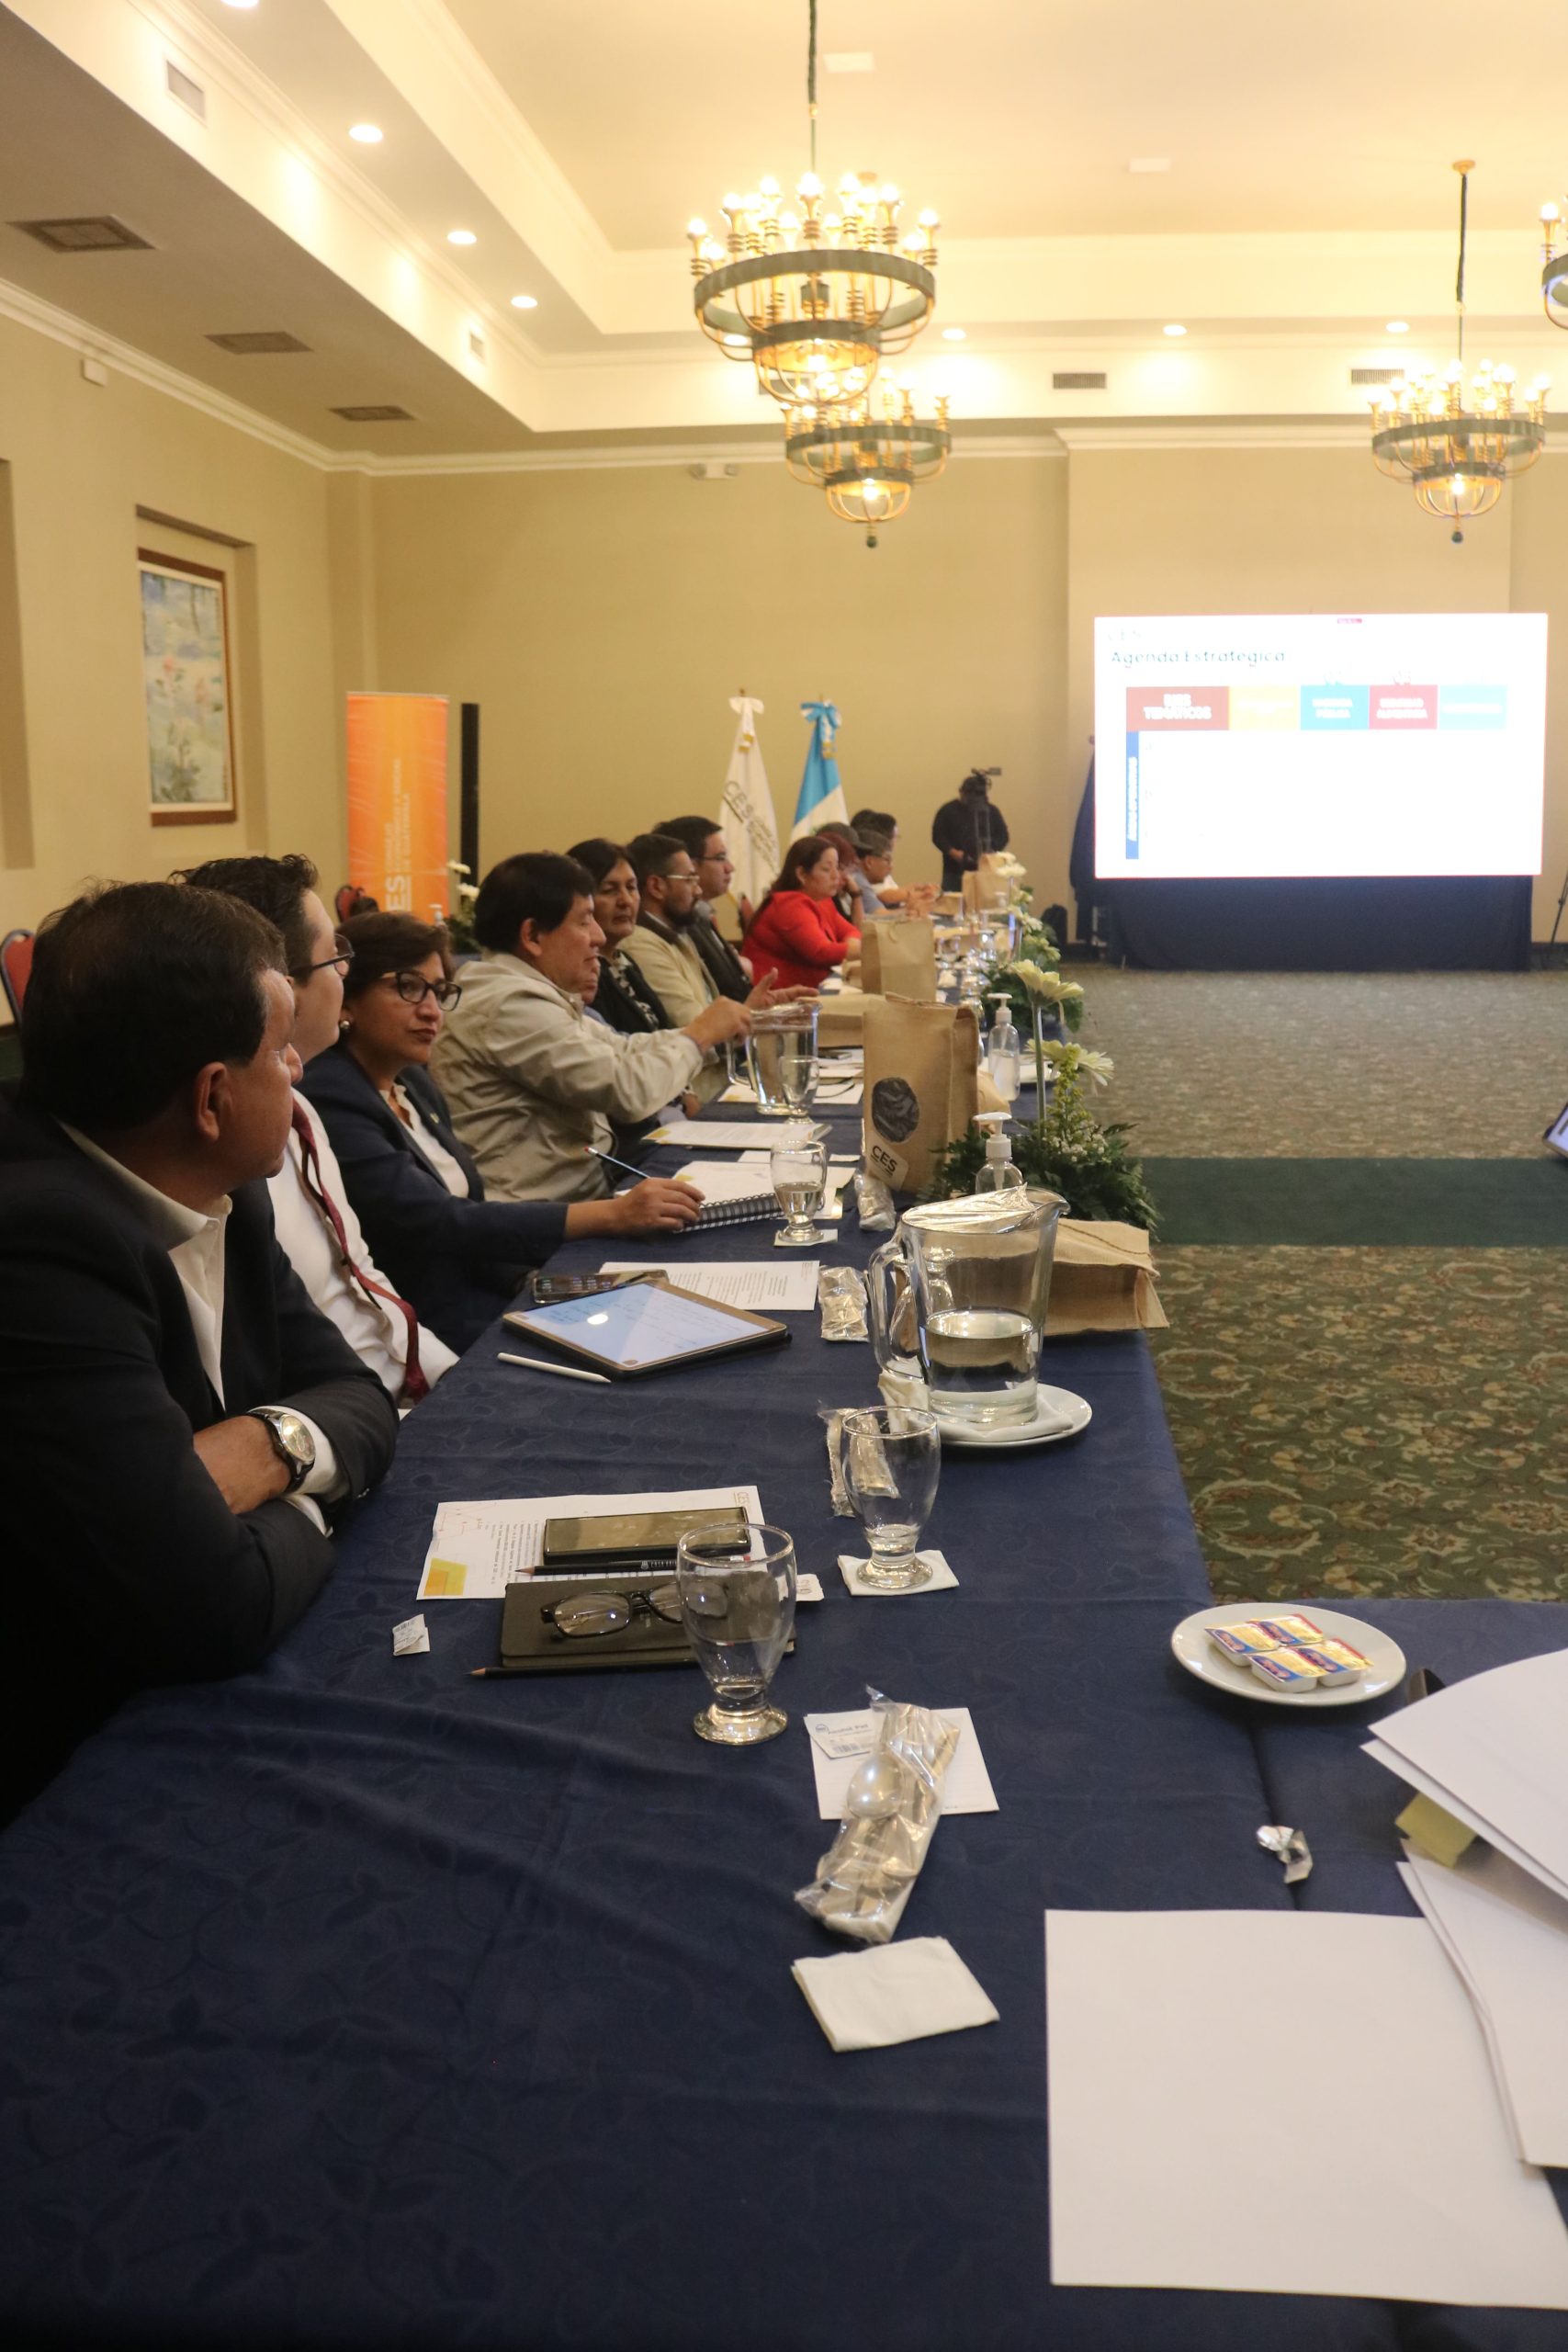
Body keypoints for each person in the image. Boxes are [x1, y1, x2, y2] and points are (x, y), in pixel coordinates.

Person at [0, 881, 398, 1820]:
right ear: (213, 1097)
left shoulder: (221, 1182)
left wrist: (270, 1449)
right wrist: (318, 1502)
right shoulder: (38, 1244)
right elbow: (210, 1607)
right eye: (281, 1050)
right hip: (71, 1768)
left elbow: (359, 1393)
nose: (298, 1070)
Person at [302, 912, 705, 1351]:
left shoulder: (412, 1082)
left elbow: (467, 1208)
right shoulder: (331, 1093)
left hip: (485, 1289)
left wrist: (537, 1283)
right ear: (347, 1000)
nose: (431, 1010)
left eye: (438, 992)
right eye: (409, 987)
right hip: (421, 1325)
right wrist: (610, 1215)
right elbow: (440, 1222)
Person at [181, 853, 458, 1406]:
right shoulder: (227, 1147)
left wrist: (451, 1377)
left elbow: (363, 1279)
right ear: (282, 986)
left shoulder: (303, 1108)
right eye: (336, 957)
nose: (346, 974)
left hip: (397, 1391)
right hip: (348, 1412)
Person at [432, 853, 749, 1203]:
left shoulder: (524, 990)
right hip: (543, 1219)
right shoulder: (508, 1004)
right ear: (532, 935)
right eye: (585, 922)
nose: (598, 937)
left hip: (581, 1197)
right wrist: (700, 1034)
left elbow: (623, 1049)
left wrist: (707, 1031)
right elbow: (628, 1091)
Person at [566, 837, 671, 1038]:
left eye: (631, 887)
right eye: (609, 890)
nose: (626, 901)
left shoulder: (624, 962)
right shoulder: (583, 970)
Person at [653, 814, 754, 998]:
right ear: (690, 864)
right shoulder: (681, 923)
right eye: (720, 858)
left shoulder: (702, 916)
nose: (730, 867)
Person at [739, 836, 860, 990]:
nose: (836, 875)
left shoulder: (822, 901)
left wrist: (852, 945)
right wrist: (863, 950)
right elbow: (821, 953)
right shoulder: (788, 905)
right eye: (826, 869)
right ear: (802, 874)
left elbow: (851, 931)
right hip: (779, 995)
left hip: (811, 989)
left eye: (837, 867)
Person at [932, 770, 1010, 892]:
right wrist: (953, 852)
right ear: (961, 792)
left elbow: (1003, 835)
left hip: (986, 870)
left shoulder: (991, 811)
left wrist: (991, 851)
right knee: (953, 901)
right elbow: (938, 836)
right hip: (954, 871)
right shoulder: (948, 810)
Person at [851, 809, 938, 912]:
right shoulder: (857, 878)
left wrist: (917, 891)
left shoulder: (864, 876)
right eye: (887, 860)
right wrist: (914, 906)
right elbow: (880, 915)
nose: (891, 866)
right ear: (869, 862)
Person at [818, 821, 884, 923]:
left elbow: (854, 928)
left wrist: (856, 895)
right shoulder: (811, 901)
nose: (857, 860)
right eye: (851, 853)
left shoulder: (832, 898)